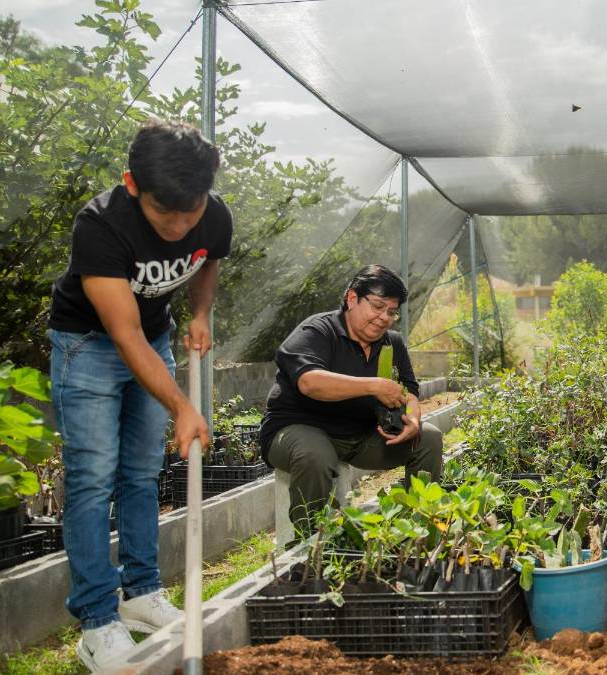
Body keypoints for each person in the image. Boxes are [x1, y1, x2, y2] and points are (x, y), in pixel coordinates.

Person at [48, 119, 231, 671]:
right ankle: (97, 621)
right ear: (133, 184)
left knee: (142, 471)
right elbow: (122, 335)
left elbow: (207, 260)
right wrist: (182, 406)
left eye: (190, 210)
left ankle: (143, 593)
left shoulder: (213, 214)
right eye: (163, 212)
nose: (178, 225)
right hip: (90, 346)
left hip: (151, 339)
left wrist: (200, 313)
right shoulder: (99, 225)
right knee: (93, 477)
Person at [260, 264, 444, 533]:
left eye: (391, 312)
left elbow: (410, 392)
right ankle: (311, 546)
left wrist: (413, 419)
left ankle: (416, 529)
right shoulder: (318, 331)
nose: (384, 318)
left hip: (360, 436)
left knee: (428, 437)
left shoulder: (392, 344)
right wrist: (373, 386)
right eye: (377, 306)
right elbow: (310, 382)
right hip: (296, 430)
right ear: (352, 299)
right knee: (315, 453)